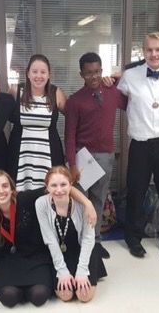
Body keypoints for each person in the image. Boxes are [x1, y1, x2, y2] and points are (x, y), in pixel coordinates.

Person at [0, 170, 96, 308]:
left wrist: (87, 203)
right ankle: (17, 287)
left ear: (12, 188)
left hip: (34, 256)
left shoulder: (26, 199)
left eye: (5, 186)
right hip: (7, 260)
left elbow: (59, 187)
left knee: (39, 295)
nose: (1, 191)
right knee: (9, 297)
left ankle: (29, 286)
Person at [117, 32, 159, 259]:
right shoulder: (129, 76)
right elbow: (117, 96)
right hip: (141, 144)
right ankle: (133, 239)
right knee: (136, 192)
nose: (154, 54)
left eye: (158, 49)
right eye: (149, 50)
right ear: (142, 52)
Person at [64, 52, 127, 259]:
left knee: (99, 199)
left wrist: (118, 78)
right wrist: (72, 164)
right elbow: (70, 135)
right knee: (81, 201)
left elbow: (129, 102)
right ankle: (81, 241)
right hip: (83, 158)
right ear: (81, 74)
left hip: (105, 156)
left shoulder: (112, 93)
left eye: (98, 72)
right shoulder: (75, 100)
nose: (94, 76)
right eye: (89, 73)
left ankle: (96, 241)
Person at [35, 166, 107, 303]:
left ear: (71, 185)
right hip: (59, 254)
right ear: (47, 187)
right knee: (66, 295)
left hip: (82, 251)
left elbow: (88, 239)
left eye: (63, 184)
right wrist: (62, 271)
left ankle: (84, 272)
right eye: (54, 185)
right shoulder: (41, 204)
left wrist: (82, 270)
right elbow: (50, 239)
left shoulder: (83, 205)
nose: (59, 190)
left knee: (84, 296)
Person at [8, 54, 67, 191]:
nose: (38, 76)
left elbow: (73, 117)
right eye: (34, 72)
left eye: (43, 72)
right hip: (21, 155)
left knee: (50, 192)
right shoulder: (16, 91)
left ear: (49, 74)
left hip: (48, 154)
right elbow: (0, 111)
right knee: (18, 194)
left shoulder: (56, 93)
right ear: (28, 73)